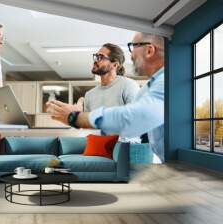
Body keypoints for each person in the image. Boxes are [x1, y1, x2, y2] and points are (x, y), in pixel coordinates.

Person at [47, 32, 165, 163]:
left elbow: (135, 122)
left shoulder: (128, 85)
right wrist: (78, 110)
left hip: (125, 151)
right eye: (96, 56)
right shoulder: (90, 94)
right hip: (102, 150)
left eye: (100, 57)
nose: (95, 60)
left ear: (115, 64)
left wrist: (75, 117)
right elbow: (87, 124)